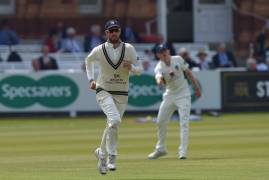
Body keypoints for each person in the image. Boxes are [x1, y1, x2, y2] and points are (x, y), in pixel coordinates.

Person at [85, 19, 142, 175]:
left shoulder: (129, 48)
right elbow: (88, 60)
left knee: (112, 124)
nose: (114, 33)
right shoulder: (99, 49)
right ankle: (112, 157)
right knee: (115, 120)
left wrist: (131, 67)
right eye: (111, 31)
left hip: (122, 93)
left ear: (120, 31)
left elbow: (140, 70)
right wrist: (91, 79)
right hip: (103, 90)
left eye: (116, 30)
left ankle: (101, 154)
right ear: (106, 33)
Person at [148, 44, 201, 160]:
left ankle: (183, 152)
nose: (164, 53)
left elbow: (188, 73)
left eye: (165, 51)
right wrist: (160, 80)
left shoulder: (178, 59)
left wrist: (196, 88)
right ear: (158, 55)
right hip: (169, 95)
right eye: (161, 52)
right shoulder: (159, 67)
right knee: (161, 121)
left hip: (183, 94)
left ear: (168, 51)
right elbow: (158, 79)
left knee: (184, 122)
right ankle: (161, 149)